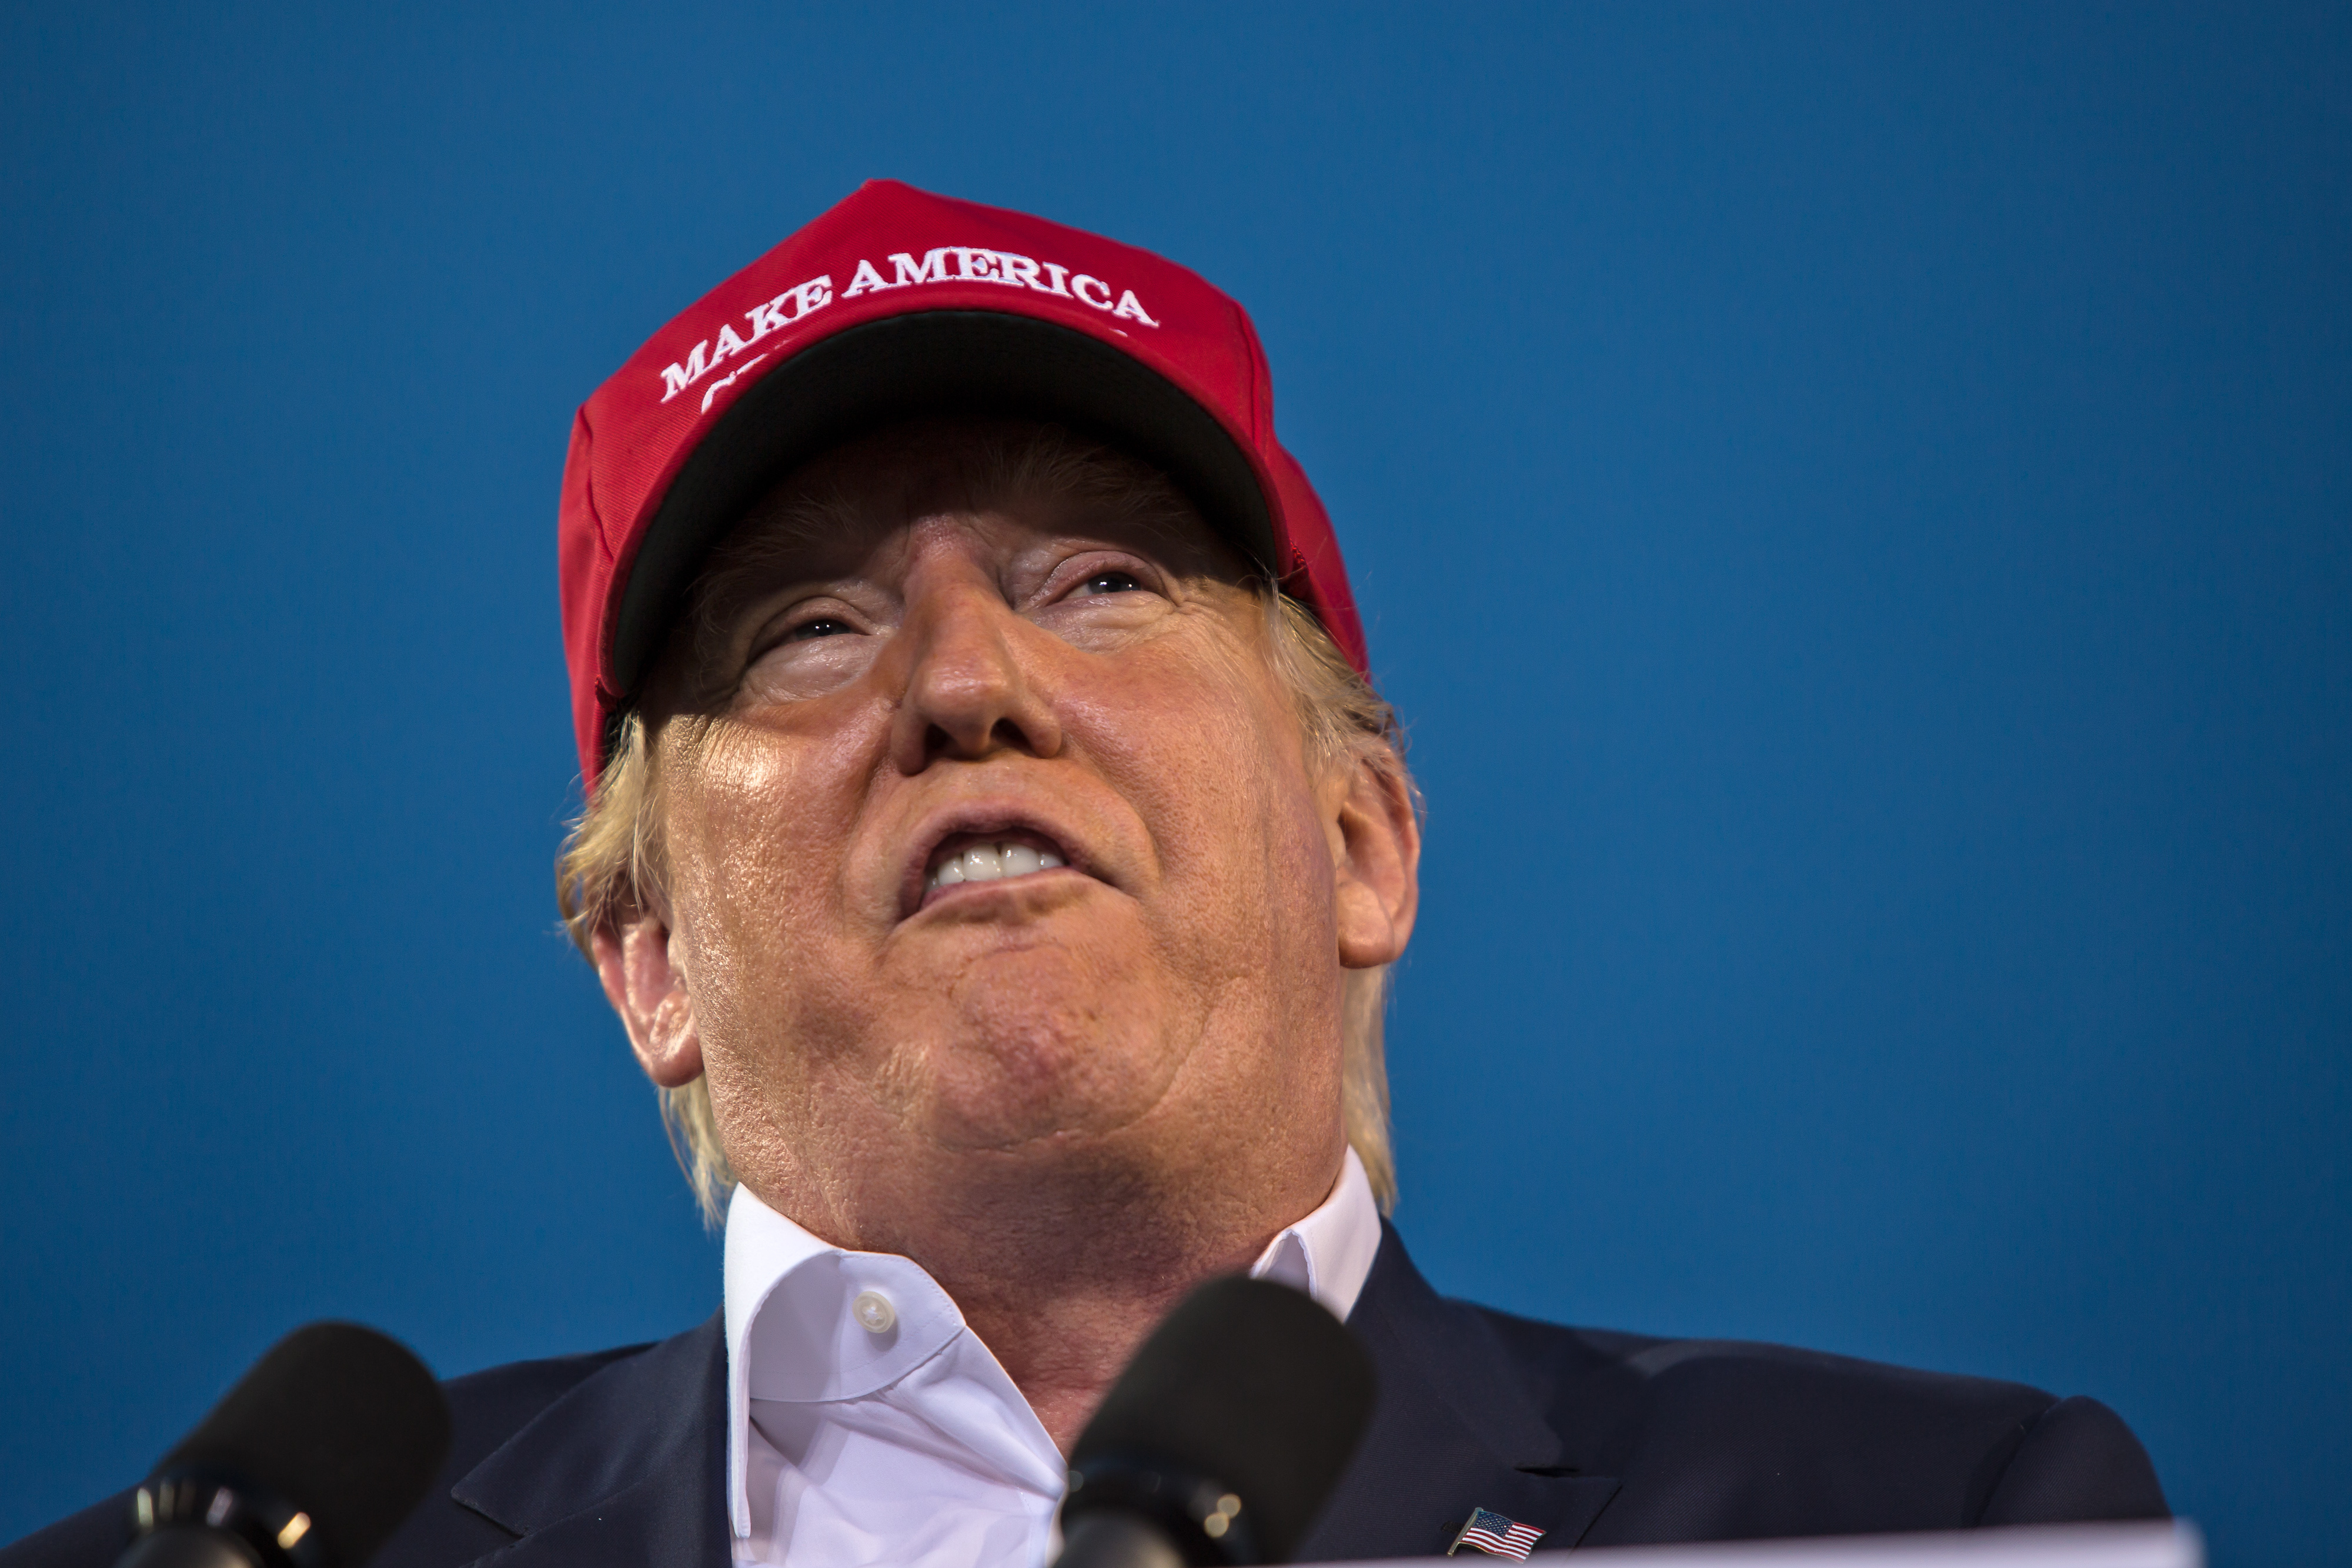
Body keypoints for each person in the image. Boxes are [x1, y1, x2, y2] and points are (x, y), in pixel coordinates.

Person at [4, 180, 2168, 1568]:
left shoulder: (1925, 1520)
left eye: (1106, 579)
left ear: (1361, 840)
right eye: (808, 631)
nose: (965, 678)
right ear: (646, 957)